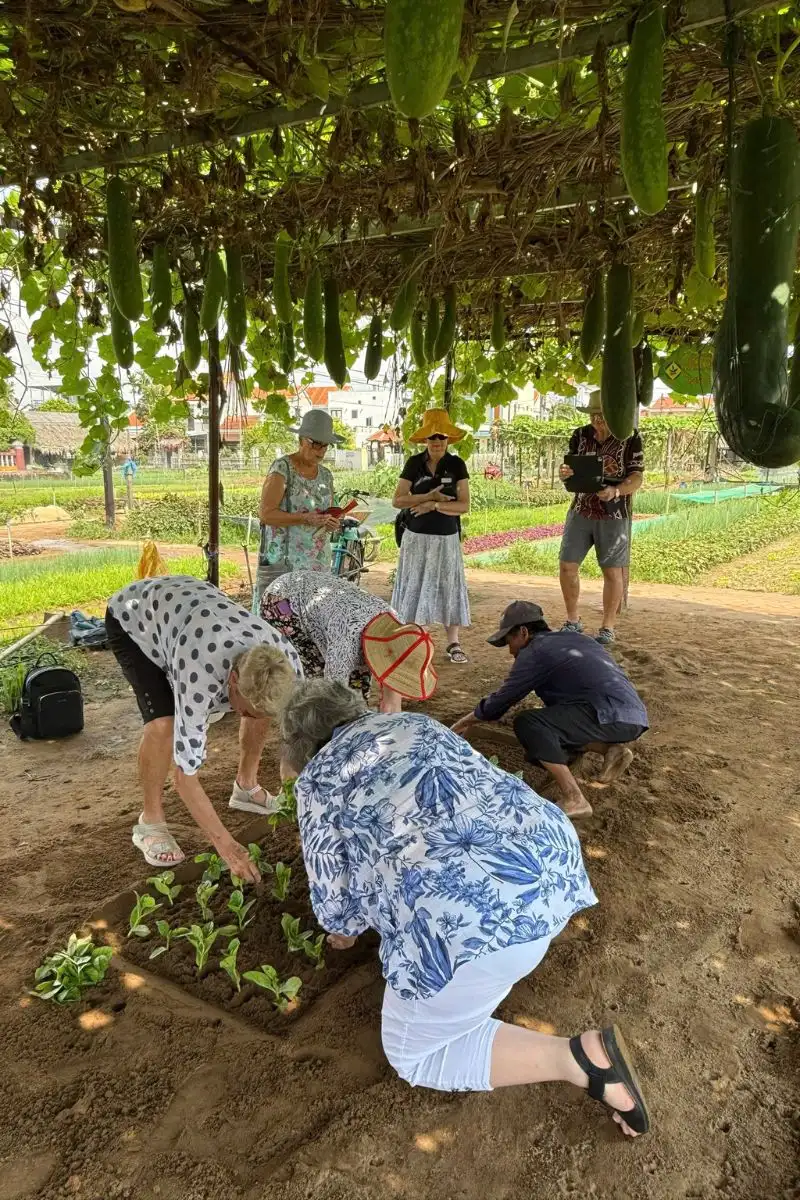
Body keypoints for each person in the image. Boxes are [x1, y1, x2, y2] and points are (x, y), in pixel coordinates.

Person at [279, 679, 651, 1137]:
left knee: (415, 1056)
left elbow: (334, 898)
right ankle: (484, 983)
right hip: (551, 867)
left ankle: (580, 1060)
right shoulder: (412, 722)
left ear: (301, 745)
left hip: (472, 923)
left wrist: (345, 930)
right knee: (477, 951)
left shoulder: (318, 778)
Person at [105, 574, 303, 881]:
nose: (249, 718)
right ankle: (150, 821)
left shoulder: (286, 661)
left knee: (261, 708)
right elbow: (186, 778)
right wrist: (227, 847)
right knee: (164, 724)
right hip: (138, 619)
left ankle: (246, 786)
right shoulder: (201, 676)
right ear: (233, 682)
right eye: (245, 710)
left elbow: (297, 735)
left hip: (190, 608)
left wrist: (296, 794)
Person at [451, 600, 648, 819]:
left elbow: (501, 701)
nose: (510, 651)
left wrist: (464, 722)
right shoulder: (576, 639)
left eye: (509, 641)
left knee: (529, 723)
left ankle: (574, 798)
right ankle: (608, 749)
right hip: (633, 715)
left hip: (605, 714)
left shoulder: (535, 652)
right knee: (553, 724)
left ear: (524, 632)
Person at [261, 569, 437, 713]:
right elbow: (332, 693)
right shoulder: (346, 635)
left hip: (327, 605)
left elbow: (391, 706)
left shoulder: (399, 633)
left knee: (357, 692)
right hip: (283, 600)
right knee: (318, 681)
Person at [558, 390, 644, 645]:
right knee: (567, 564)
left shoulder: (630, 437)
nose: (598, 421)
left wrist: (617, 490)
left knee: (611, 571)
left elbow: (637, 476)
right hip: (581, 508)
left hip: (614, 513)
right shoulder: (580, 435)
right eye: (594, 416)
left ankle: (607, 626)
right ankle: (573, 621)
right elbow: (569, 468)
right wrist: (564, 472)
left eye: (603, 416)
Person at [391, 408, 471, 664]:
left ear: (448, 439)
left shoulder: (457, 464)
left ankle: (453, 643)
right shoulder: (414, 463)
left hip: (446, 538)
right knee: (415, 585)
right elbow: (398, 500)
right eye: (431, 437)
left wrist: (434, 507)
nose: (436, 442)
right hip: (416, 537)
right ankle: (416, 639)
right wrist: (429, 496)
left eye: (441, 437)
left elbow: (463, 505)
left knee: (449, 587)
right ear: (425, 440)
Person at [253, 408, 343, 613]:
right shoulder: (282, 468)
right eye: (315, 443)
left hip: (317, 561)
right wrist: (304, 518)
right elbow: (266, 514)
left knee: (313, 616)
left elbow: (329, 511)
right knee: (281, 617)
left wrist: (332, 522)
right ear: (301, 439)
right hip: (284, 562)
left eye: (325, 445)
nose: (320, 450)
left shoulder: (326, 476)